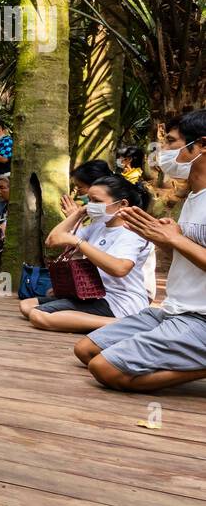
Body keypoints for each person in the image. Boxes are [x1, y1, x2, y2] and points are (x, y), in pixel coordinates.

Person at [75, 110, 206, 391]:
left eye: (171, 142)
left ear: (202, 145)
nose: (163, 150)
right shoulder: (195, 197)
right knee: (86, 351)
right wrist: (161, 236)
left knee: (104, 368)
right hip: (173, 310)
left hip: (201, 317)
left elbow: (181, 245)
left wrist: (176, 239)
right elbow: (188, 252)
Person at [19, 176, 153, 333]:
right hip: (93, 294)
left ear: (122, 204)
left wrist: (79, 243)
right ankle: (103, 321)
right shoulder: (99, 226)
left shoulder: (131, 232)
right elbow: (52, 240)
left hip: (120, 302)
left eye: (96, 201)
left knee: (39, 315)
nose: (91, 205)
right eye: (89, 200)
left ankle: (124, 324)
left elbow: (120, 269)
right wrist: (78, 214)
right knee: (26, 305)